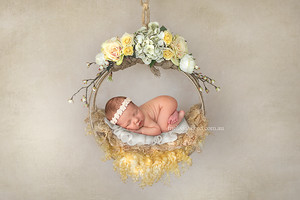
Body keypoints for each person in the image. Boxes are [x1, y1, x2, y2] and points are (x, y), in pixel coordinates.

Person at [105, 95, 185, 136]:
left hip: (166, 104)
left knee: (163, 128)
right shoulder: (137, 117)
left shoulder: (145, 118)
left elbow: (157, 130)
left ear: (136, 106)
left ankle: (179, 115)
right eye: (129, 123)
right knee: (162, 119)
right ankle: (172, 113)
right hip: (165, 103)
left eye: (135, 112)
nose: (136, 120)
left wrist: (140, 131)